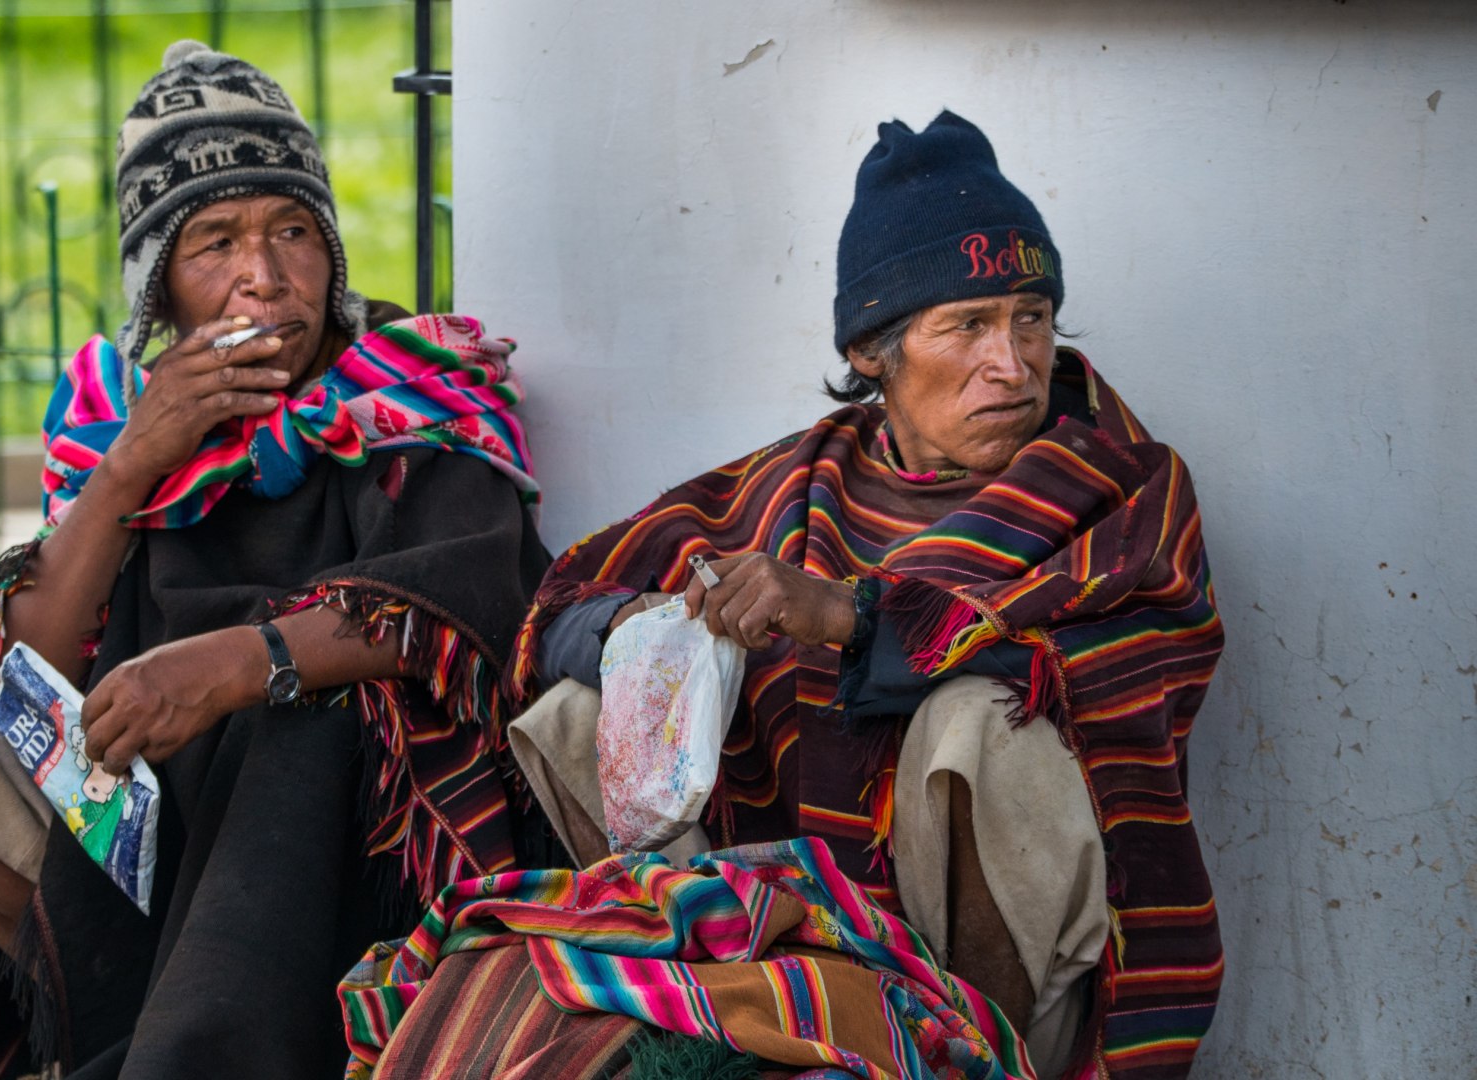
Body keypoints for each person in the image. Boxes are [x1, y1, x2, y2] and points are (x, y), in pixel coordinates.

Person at [435, 111, 1222, 1079]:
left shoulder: (1123, 489)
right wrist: (645, 631)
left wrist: (850, 617)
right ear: (871, 351)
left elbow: (1103, 675)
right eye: (968, 326)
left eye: (1031, 317)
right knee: (583, 704)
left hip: (1017, 1007)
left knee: (981, 721)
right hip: (790, 951)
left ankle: (960, 1057)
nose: (1013, 364)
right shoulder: (791, 490)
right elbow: (556, 612)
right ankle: (715, 1013)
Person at [0, 41, 552, 1080]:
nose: (265, 277)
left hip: (337, 834)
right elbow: (33, 662)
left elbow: (471, 597)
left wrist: (233, 666)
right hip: (143, 824)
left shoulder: (410, 390)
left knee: (297, 716)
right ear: (159, 293)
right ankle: (125, 1029)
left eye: (293, 231)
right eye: (215, 243)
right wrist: (135, 461)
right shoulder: (122, 426)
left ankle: (198, 1049)